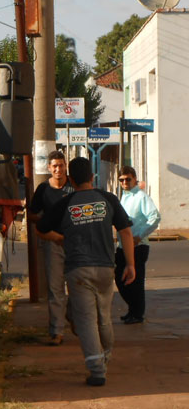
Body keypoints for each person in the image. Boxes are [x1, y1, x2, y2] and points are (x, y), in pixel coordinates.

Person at [36, 157, 135, 387]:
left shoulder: (65, 203)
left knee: (86, 321)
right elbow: (126, 232)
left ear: (70, 179)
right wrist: (130, 264)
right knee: (104, 317)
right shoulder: (108, 199)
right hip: (105, 268)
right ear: (93, 177)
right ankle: (105, 357)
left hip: (78, 270)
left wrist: (59, 238)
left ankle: (97, 370)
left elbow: (40, 229)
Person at [28, 150, 74, 346]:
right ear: (49, 168)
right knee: (55, 290)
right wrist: (46, 220)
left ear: (66, 166)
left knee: (78, 287)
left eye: (61, 165)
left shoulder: (74, 187)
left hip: (74, 243)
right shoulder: (43, 189)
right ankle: (57, 331)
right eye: (54, 166)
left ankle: (73, 317)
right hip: (52, 243)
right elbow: (30, 215)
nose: (58, 169)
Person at [115, 166, 160, 325]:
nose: (125, 182)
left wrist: (139, 236)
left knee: (136, 281)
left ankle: (137, 313)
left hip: (138, 246)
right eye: (122, 180)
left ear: (134, 179)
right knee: (120, 278)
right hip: (123, 245)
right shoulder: (124, 197)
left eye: (128, 179)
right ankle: (132, 310)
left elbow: (154, 218)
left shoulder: (141, 196)